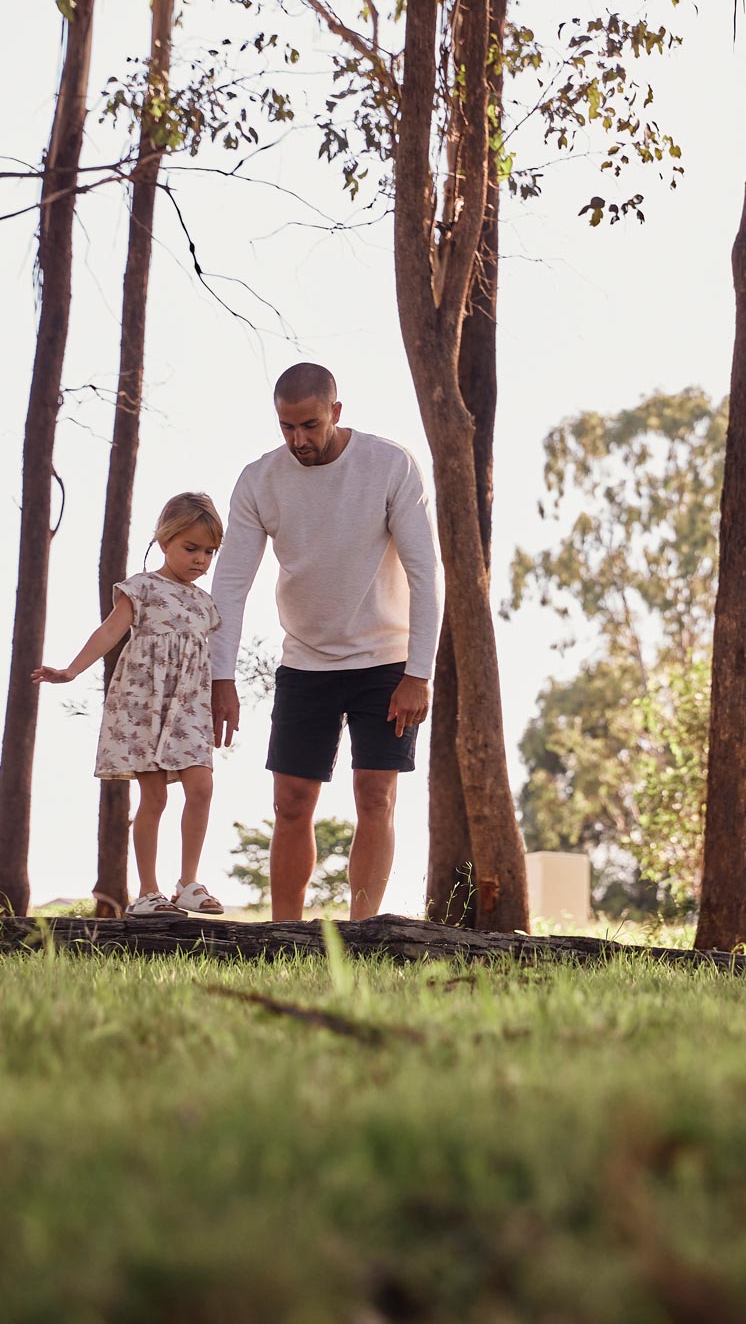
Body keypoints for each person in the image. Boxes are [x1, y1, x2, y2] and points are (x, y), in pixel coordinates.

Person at [209, 363, 443, 921]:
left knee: (375, 797)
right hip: (305, 663)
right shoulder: (259, 480)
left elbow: (425, 574)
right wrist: (221, 676)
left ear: (336, 412)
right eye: (287, 428)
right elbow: (231, 583)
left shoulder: (389, 465)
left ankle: (363, 933)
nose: (299, 440)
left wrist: (420, 672)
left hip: (386, 663)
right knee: (291, 803)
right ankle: (283, 934)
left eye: (310, 425)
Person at [33, 492, 226, 916]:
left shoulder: (206, 603)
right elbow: (109, 632)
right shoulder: (142, 588)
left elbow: (216, 656)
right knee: (154, 799)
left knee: (202, 786)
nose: (200, 559)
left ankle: (189, 883)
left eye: (209, 551)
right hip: (145, 705)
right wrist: (71, 670)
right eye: (190, 548)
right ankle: (148, 893)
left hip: (190, 708)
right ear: (164, 541)